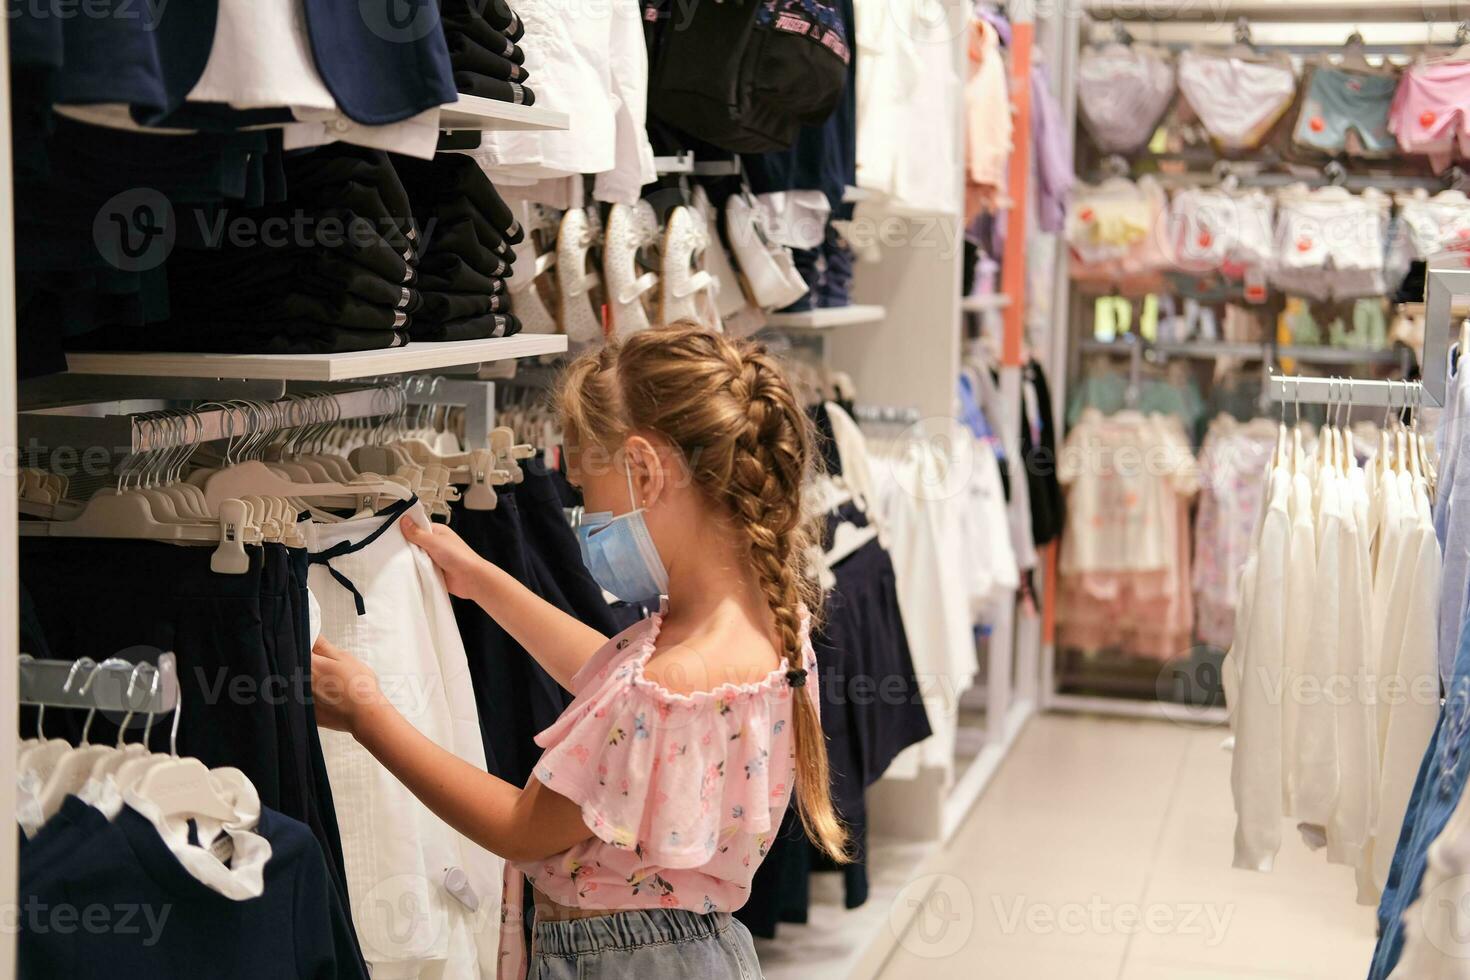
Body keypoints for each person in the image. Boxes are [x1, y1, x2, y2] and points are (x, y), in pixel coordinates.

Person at [310, 323, 848, 978]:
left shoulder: (664, 684)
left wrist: (370, 717)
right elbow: (610, 685)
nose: (585, 518)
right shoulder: (769, 631)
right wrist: (486, 584)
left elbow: (519, 827)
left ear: (644, 472)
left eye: (587, 494)